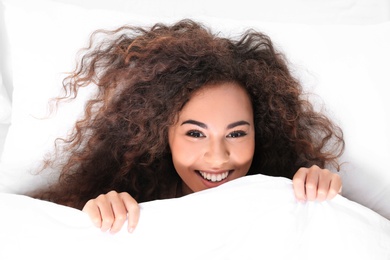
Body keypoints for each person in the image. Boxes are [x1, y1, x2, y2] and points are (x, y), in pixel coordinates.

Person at [35, 19, 344, 234]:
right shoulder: (131, 204)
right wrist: (96, 215)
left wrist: (319, 192)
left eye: (236, 133)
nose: (218, 157)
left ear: (259, 133)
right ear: (161, 135)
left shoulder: (285, 197)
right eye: (195, 133)